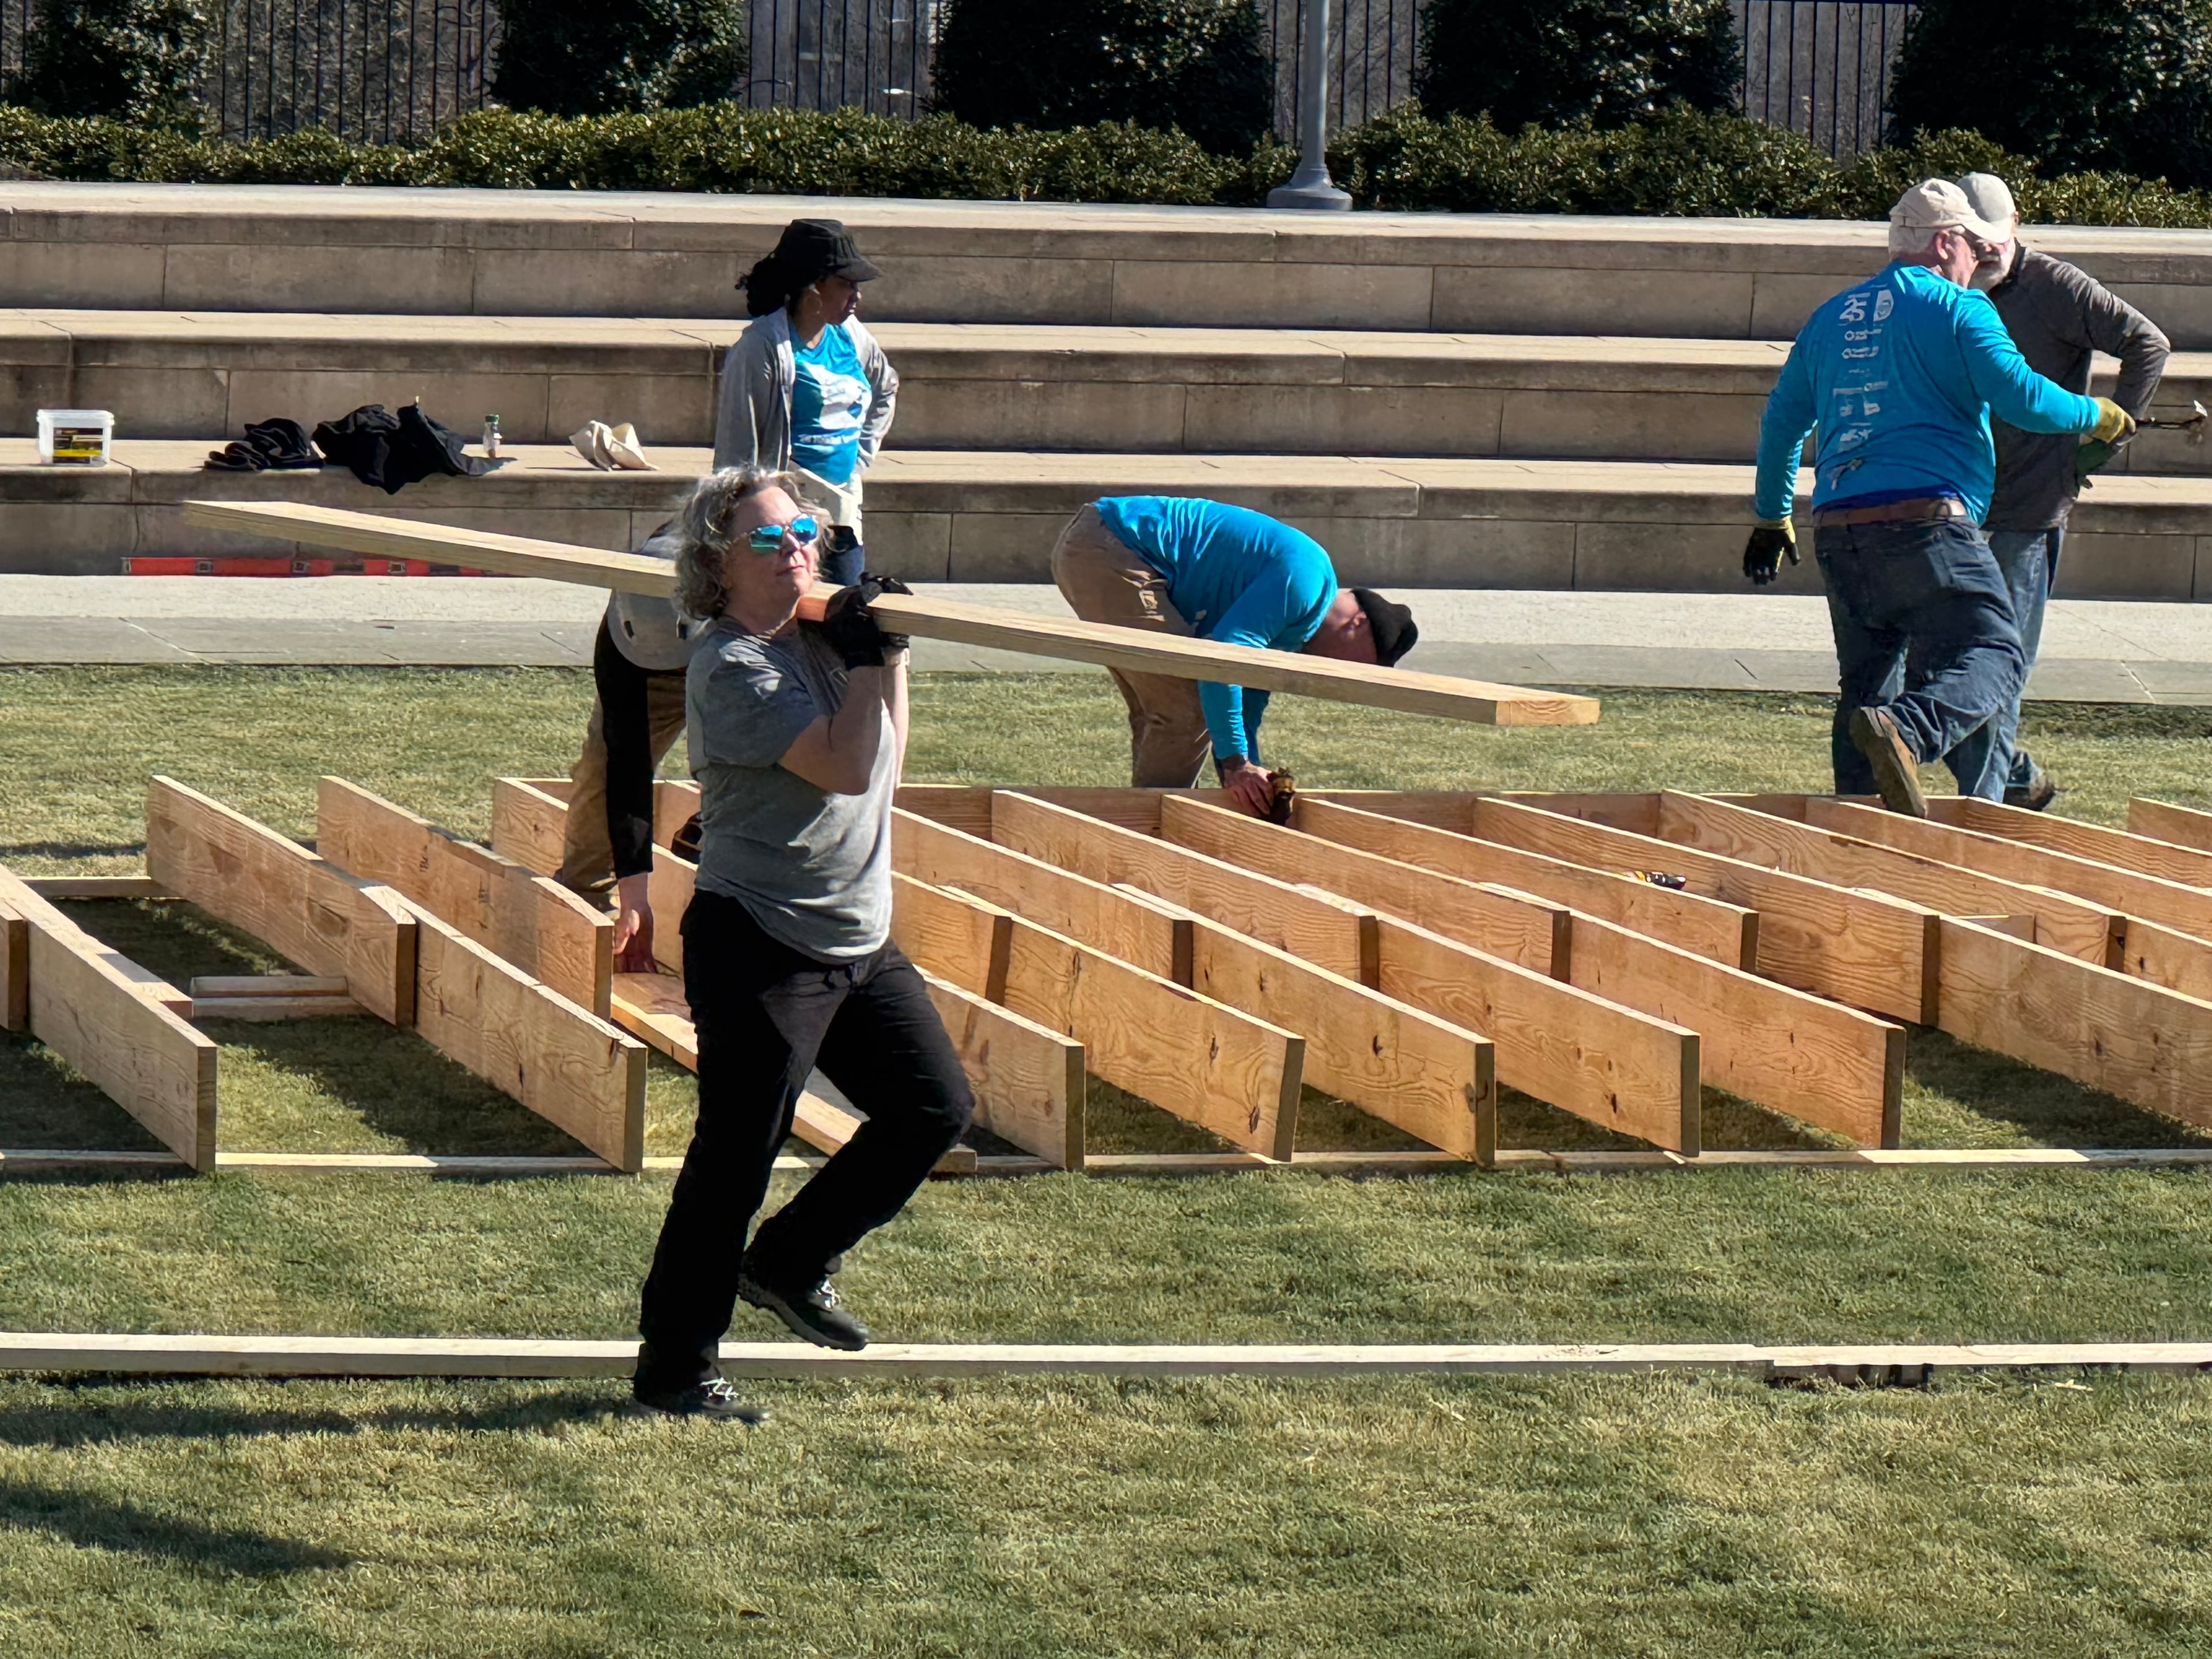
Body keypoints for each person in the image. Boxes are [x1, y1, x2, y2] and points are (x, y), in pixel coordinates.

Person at [630, 467, 972, 1420]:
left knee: (932, 1109)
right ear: (716, 566)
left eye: (805, 533)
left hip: (857, 934)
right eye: (771, 541)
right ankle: (675, 1368)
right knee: (737, 1156)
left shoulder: (822, 637)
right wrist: (866, 656)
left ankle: (787, 1262)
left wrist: (887, 647)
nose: (799, 550)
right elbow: (844, 765)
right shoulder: (732, 667)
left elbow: (890, 762)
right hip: (762, 940)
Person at [1747, 180, 2137, 817]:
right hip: (1928, 525)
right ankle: (1913, 731)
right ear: (1945, 241)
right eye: (1975, 251)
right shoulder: (1961, 312)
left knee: (1866, 689)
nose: (1979, 265)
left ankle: (1858, 831)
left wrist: (1770, 516)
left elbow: (1783, 423)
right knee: (1997, 653)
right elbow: (2024, 399)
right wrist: (2096, 413)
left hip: (1841, 528)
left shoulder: (1830, 318)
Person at [1941, 171, 2171, 810]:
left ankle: (1982, 817)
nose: (1982, 250)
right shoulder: (1945, 288)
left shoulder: (2056, 287)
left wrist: (2104, 437)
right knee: (1940, 667)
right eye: (1968, 238)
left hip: (2030, 505)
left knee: (1997, 664)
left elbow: (2147, 343)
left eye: (1992, 237)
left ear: (2015, 227)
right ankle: (2013, 778)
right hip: (1955, 500)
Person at [1049, 496, 1419, 816]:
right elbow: (1223, 658)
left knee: (1165, 711)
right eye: (1353, 666)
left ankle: (1143, 821)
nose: (1336, 675)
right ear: (1358, 624)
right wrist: (1235, 763)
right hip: (1115, 545)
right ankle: (1154, 830)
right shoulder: (1306, 581)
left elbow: (1246, 698)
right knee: (1188, 706)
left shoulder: (1296, 629)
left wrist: (1248, 773)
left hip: (1104, 544)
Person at [715, 218, 899, 590]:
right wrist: (749, 528)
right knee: (774, 606)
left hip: (841, 511)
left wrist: (861, 455)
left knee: (843, 607)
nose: (857, 296)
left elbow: (886, 386)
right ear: (813, 286)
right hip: (781, 514)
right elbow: (737, 453)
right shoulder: (761, 349)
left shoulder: (851, 335)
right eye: (846, 284)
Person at [554, 524, 693, 971]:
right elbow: (625, 765)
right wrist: (635, 898)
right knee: (600, 771)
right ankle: (581, 900)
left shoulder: (758, 597)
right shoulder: (622, 635)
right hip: (647, 669)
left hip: (733, 648)